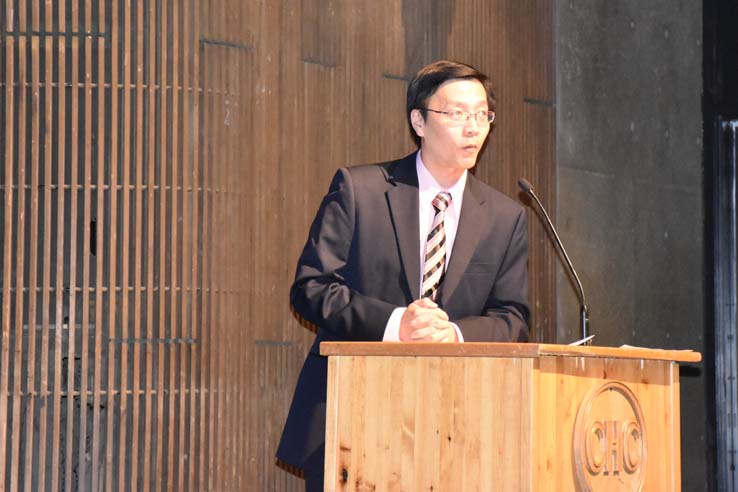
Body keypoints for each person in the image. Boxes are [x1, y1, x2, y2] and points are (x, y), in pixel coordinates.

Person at [276, 60, 530, 491]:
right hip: (353, 417)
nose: (473, 128)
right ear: (419, 121)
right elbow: (311, 287)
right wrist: (396, 324)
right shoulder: (361, 189)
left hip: (459, 426)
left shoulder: (506, 217)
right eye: (456, 114)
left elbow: (513, 317)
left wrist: (452, 333)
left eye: (482, 115)